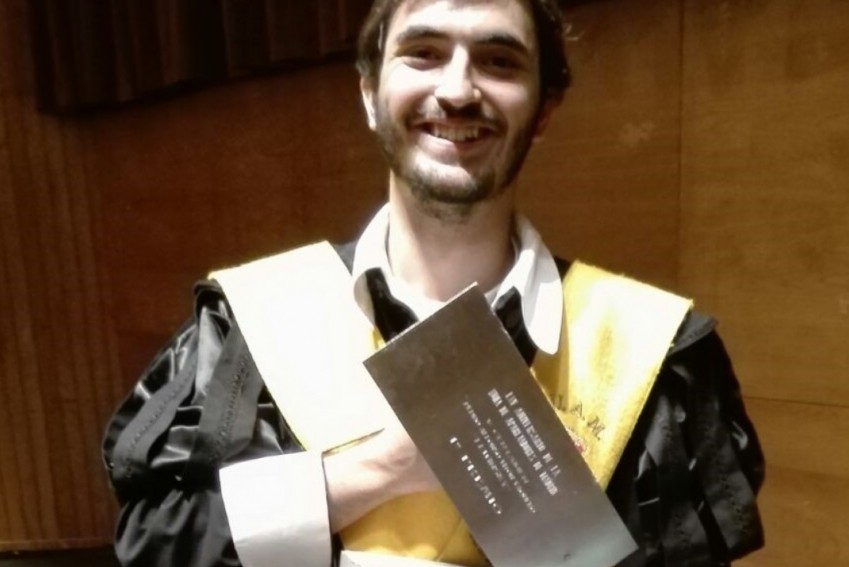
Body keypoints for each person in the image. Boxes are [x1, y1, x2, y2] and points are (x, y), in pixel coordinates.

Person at [102, 0, 765, 566]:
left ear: (543, 110)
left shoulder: (649, 356)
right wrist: (378, 469)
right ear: (369, 93)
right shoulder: (251, 326)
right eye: (423, 53)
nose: (457, 90)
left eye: (498, 61)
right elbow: (158, 544)